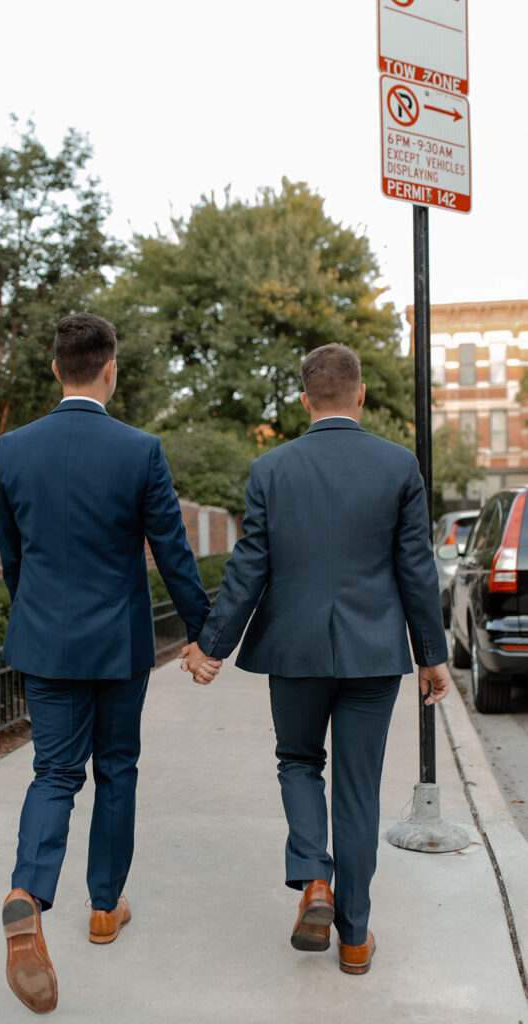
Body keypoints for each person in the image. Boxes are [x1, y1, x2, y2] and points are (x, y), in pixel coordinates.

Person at [181, 342, 451, 975]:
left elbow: (249, 567)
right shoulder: (397, 466)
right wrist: (431, 654)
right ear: (359, 394)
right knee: (358, 792)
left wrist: (210, 645)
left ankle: (313, 880)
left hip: (295, 651)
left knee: (298, 761)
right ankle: (355, 939)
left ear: (306, 400)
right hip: (373, 655)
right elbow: (416, 566)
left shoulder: (271, 468)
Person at [0, 313, 218, 1014]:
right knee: (116, 770)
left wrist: (34, 615)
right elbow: (172, 554)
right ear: (109, 369)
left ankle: (27, 893)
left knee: (54, 772)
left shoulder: (12, 449)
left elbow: (12, 556)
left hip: (46, 644)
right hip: (118, 645)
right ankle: (101, 908)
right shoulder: (139, 450)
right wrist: (205, 634)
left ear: (56, 369)